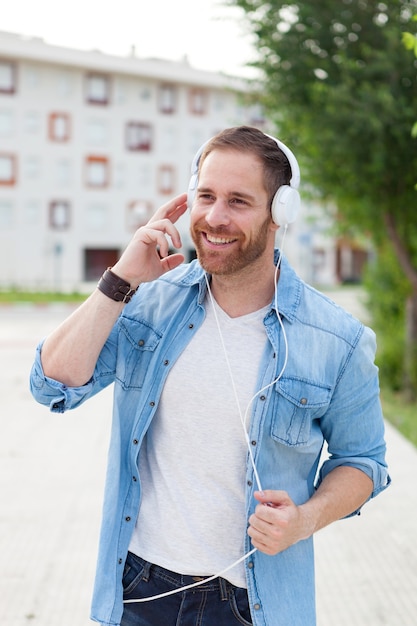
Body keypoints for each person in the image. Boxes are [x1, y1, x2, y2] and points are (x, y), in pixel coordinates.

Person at [30, 126, 390, 626]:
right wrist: (120, 280)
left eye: (239, 201)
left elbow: (364, 461)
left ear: (280, 212)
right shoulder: (149, 302)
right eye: (206, 196)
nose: (215, 218)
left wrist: (305, 519)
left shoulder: (337, 340)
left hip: (251, 603)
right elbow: (52, 384)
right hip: (139, 589)